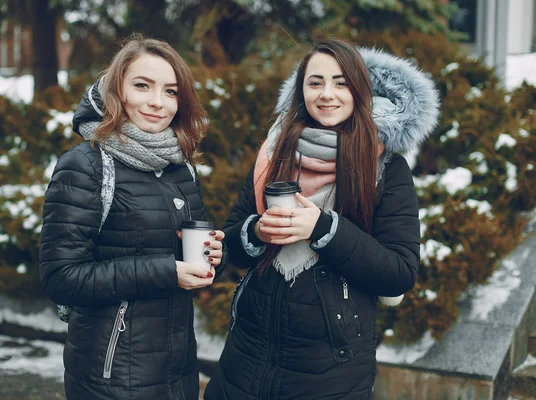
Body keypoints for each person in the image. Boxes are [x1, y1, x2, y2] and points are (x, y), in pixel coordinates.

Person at [204, 39, 439, 399]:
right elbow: (233, 247)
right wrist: (256, 232)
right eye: (315, 82)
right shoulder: (273, 153)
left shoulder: (387, 169)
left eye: (341, 82)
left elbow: (398, 274)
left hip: (331, 373)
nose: (327, 94)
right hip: (246, 360)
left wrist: (325, 229)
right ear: (301, 90)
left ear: (360, 90)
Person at [39, 35, 226, 400]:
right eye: (142, 86)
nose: (158, 102)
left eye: (171, 91)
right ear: (116, 92)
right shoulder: (86, 166)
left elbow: (191, 254)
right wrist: (166, 271)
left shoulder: (180, 168)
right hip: (110, 374)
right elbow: (61, 277)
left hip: (177, 370)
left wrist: (215, 254)